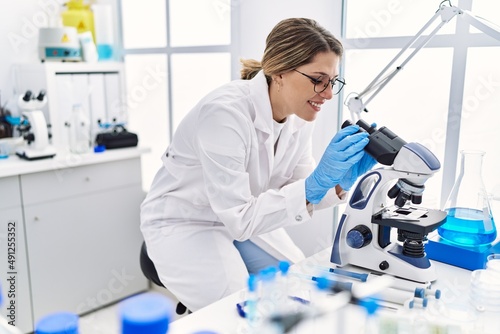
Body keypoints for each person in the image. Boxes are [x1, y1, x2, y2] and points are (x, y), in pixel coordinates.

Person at [140, 17, 376, 312]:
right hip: (185, 222)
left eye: (333, 82)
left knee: (296, 283)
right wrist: (316, 184)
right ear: (278, 72)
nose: (328, 94)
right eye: (318, 80)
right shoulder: (224, 114)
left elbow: (300, 187)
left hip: (243, 214)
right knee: (238, 306)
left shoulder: (299, 116)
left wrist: (338, 181)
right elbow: (243, 218)